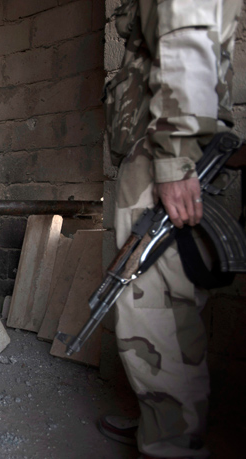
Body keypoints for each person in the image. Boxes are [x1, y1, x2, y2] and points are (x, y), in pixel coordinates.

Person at [99, 1, 241, 457]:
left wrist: (175, 157)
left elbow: (188, 28)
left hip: (164, 155)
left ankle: (172, 444)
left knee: (152, 309)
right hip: (161, 150)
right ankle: (167, 423)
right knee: (166, 308)